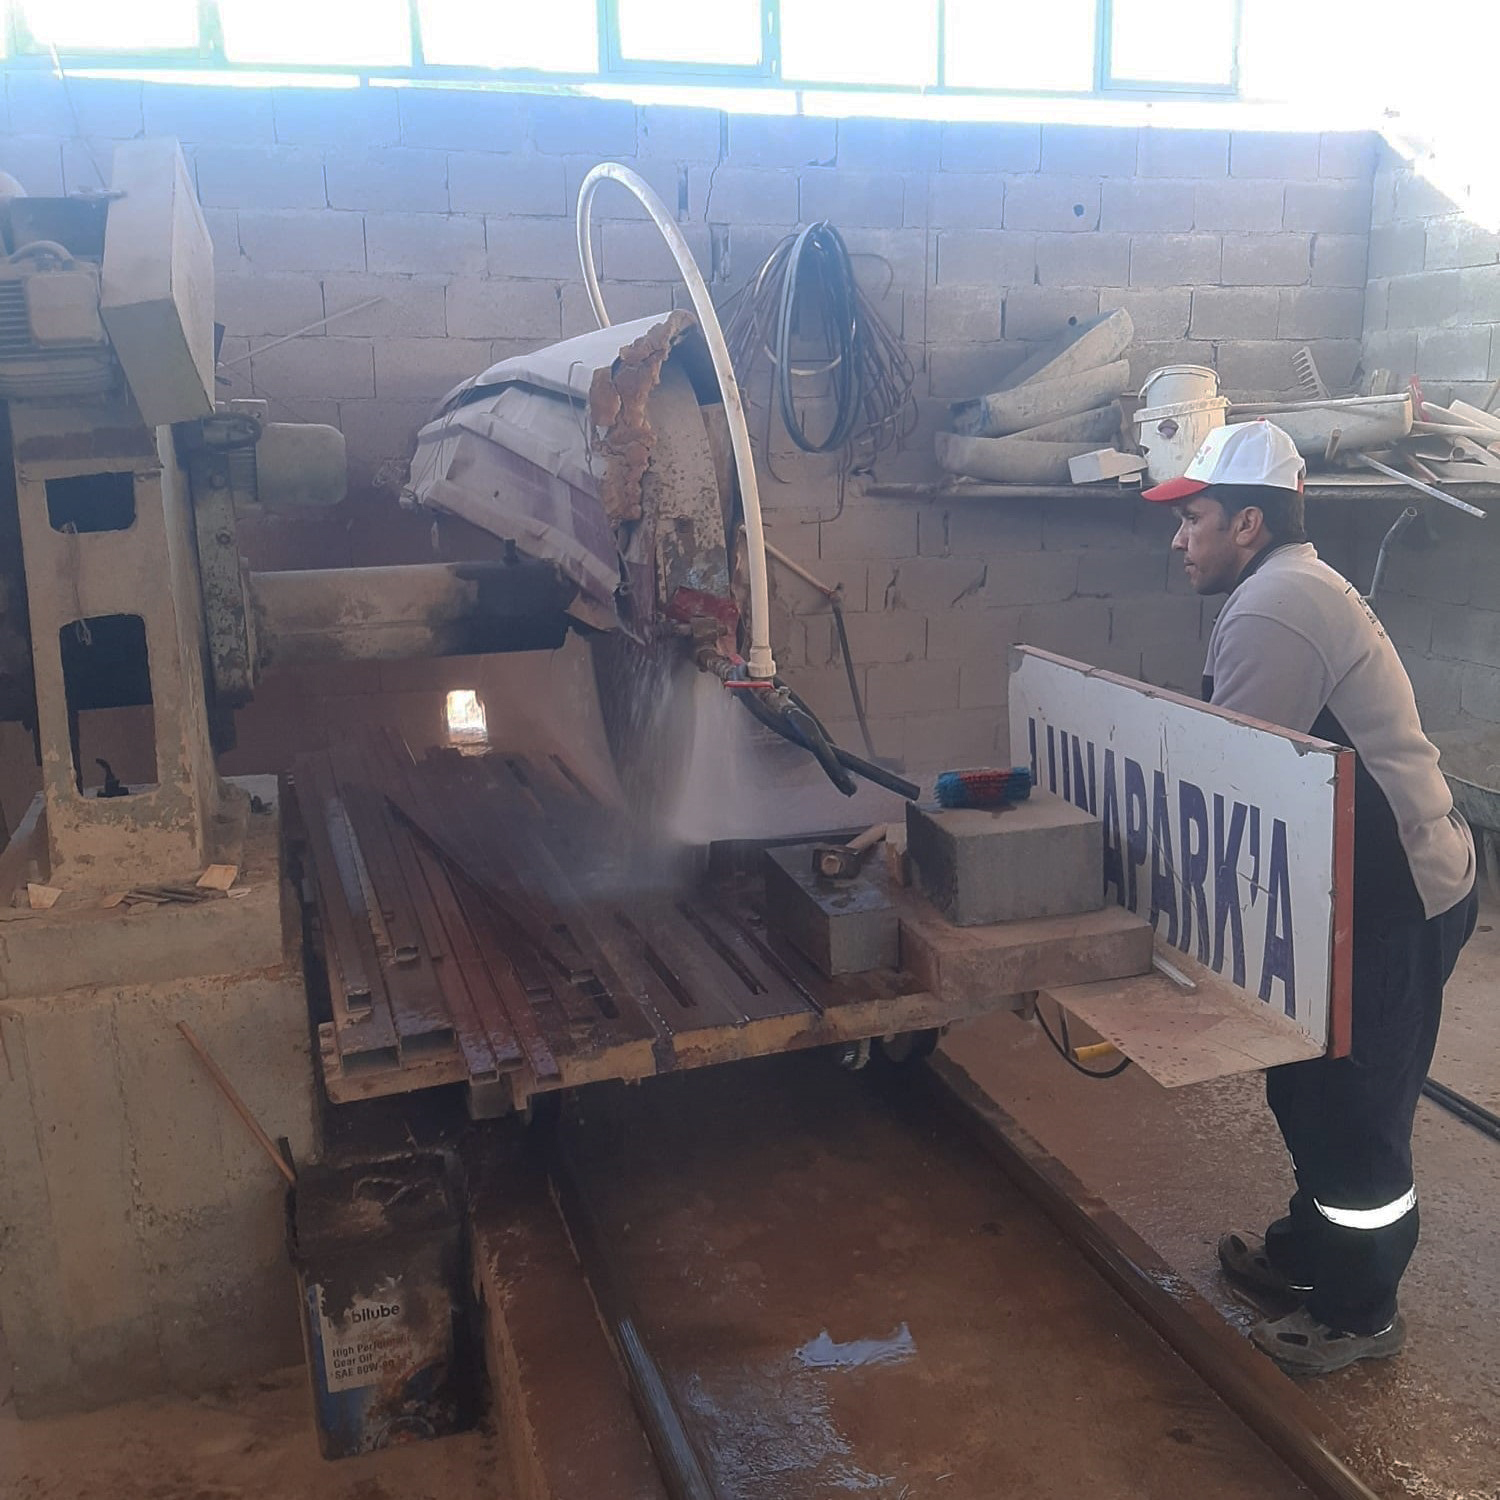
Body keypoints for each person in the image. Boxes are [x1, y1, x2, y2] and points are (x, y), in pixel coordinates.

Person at [1141, 420, 1478, 1376]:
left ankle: (1360, 1312)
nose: (1178, 538)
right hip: (1349, 894)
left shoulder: (1275, 605)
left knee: (1355, 1111)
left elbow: (1229, 782)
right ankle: (1310, 1253)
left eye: (1194, 518)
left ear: (1247, 524)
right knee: (1306, 1083)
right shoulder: (1286, 586)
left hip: (1394, 900)